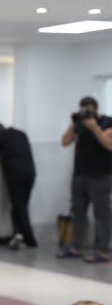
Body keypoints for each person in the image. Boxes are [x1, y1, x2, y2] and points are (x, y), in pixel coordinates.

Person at [58, 96, 112, 263]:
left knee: (102, 214)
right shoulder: (79, 124)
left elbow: (109, 146)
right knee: (78, 213)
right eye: (83, 111)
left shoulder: (108, 122)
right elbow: (65, 142)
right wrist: (74, 123)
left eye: (88, 111)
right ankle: (76, 247)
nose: (86, 114)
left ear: (96, 109)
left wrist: (95, 128)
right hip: (79, 175)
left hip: (101, 176)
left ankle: (102, 250)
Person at [0, 122, 36, 249]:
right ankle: (18, 233)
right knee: (22, 205)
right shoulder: (20, 133)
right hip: (30, 172)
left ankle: (30, 239)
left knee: (19, 206)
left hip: (15, 174)